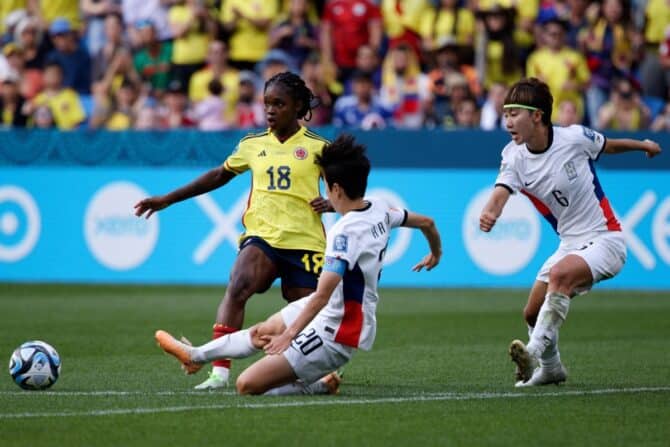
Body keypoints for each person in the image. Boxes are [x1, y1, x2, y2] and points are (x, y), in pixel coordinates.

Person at [154, 134, 443, 395]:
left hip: (337, 330)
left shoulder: (344, 233)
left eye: (327, 187)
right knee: (262, 332)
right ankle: (194, 356)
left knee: (248, 386)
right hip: (335, 312)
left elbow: (321, 294)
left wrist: (290, 336)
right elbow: (427, 222)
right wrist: (435, 253)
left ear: (336, 189)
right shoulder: (379, 207)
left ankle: (318, 385)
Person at [134, 71, 332, 390]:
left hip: (306, 244)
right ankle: (219, 374)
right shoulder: (252, 145)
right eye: (266, 103)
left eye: (278, 104)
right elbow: (217, 176)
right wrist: (167, 200)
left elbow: (344, 192)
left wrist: (333, 205)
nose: (269, 110)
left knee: (308, 317)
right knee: (238, 285)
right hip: (263, 237)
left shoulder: (319, 147)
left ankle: (316, 374)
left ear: (297, 107)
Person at [479, 77, 661, 387]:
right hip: (570, 244)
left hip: (606, 239)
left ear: (537, 115)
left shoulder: (574, 138)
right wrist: (491, 211)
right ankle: (552, 368)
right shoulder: (513, 155)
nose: (507, 121)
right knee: (532, 313)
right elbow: (501, 190)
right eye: (505, 114)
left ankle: (533, 351)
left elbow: (609, 145)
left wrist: (643, 145)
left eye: (514, 114)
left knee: (561, 275)